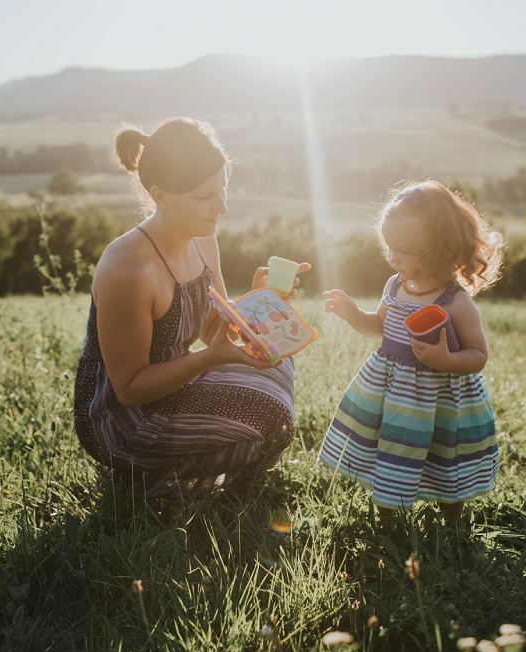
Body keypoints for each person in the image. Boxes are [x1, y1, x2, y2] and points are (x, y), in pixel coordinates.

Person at [73, 117, 306, 498]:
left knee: (278, 361)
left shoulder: (202, 239)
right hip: (124, 422)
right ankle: (137, 482)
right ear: (160, 195)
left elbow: (215, 329)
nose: (222, 208)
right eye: (204, 197)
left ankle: (177, 479)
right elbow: (129, 388)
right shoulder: (127, 269)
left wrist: (257, 301)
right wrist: (207, 360)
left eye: (223, 190)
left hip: (175, 384)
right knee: (270, 414)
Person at [318, 179, 503, 520]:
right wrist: (353, 314)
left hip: (442, 399)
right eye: (390, 247)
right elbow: (380, 329)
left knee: (444, 455)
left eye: (405, 250)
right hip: (395, 396)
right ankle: (388, 516)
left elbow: (478, 356)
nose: (393, 257)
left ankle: (452, 517)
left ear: (442, 249)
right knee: (393, 450)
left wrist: (446, 360)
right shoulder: (396, 286)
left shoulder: (457, 302)